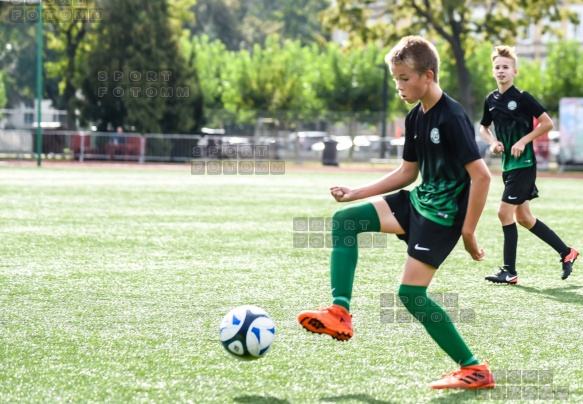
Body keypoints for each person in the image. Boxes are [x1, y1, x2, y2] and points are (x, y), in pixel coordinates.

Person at [297, 36, 494, 390]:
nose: (399, 86)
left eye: (404, 78)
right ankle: (339, 312)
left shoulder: (452, 117)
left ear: (428, 76)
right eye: (395, 78)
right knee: (346, 221)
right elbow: (407, 173)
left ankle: (474, 368)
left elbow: (481, 175)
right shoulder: (414, 117)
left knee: (410, 296)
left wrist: (468, 232)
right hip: (418, 201)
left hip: (442, 219)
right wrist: (354, 192)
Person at [480, 45, 578, 284]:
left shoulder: (522, 98)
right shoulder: (490, 100)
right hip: (507, 165)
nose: (501, 71)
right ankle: (567, 253)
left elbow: (547, 123)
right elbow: (483, 127)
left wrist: (524, 140)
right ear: (493, 71)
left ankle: (509, 271)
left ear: (515, 71)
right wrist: (493, 142)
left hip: (523, 164)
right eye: (497, 67)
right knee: (524, 218)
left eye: (506, 67)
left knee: (503, 212)